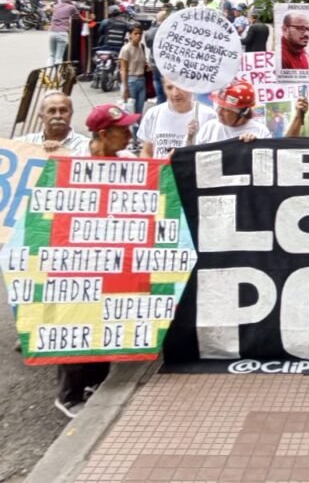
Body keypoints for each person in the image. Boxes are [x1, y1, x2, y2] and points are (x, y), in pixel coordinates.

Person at [52, 102, 141, 418]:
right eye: (123, 130)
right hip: (78, 261)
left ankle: (95, 382)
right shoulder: (71, 163)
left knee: (105, 320)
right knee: (77, 322)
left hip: (113, 260)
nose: (130, 135)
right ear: (103, 134)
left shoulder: (128, 161)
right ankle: (69, 394)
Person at [138, 79, 216, 158]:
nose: (175, 94)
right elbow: (146, 152)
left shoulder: (209, 116)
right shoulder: (153, 114)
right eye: (169, 88)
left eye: (180, 87)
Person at [195, 81, 272, 143]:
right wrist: (190, 137)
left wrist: (255, 145)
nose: (219, 112)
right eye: (219, 107)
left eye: (226, 110)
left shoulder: (260, 131)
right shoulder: (209, 128)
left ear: (243, 112)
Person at [15, 92, 89, 154]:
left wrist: (62, 151)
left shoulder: (86, 147)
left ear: (71, 114)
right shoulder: (24, 143)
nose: (58, 116)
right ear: (41, 116)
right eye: (52, 111)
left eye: (63, 111)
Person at [118, 25, 149, 136]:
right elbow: (123, 70)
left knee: (139, 112)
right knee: (130, 112)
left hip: (141, 81)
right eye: (135, 33)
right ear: (130, 35)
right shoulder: (126, 49)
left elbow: (144, 63)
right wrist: (125, 88)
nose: (138, 36)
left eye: (140, 33)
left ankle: (136, 137)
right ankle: (129, 138)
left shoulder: (141, 47)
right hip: (131, 81)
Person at [47, 0, 78, 66]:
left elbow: (48, 8)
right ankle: (58, 72)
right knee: (59, 57)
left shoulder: (55, 6)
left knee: (51, 55)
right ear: (69, 0)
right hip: (62, 33)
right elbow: (77, 16)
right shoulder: (71, 7)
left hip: (52, 32)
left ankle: (48, 71)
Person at [144, 10, 167, 104]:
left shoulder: (150, 31)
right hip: (165, 63)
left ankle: (160, 101)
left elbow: (148, 45)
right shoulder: (167, 30)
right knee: (166, 83)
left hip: (154, 61)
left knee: (157, 81)